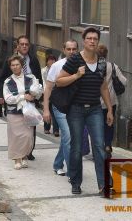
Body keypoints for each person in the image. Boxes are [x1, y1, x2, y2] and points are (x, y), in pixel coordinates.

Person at [56, 27, 114, 196]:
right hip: (76, 110)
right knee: (76, 147)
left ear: (98, 41)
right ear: (84, 40)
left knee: (99, 146)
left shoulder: (102, 62)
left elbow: (103, 87)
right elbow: (59, 81)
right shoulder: (75, 59)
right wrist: (76, 76)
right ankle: (75, 181)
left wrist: (109, 109)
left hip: (95, 109)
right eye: (89, 38)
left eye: (95, 38)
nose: (92, 41)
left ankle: (104, 185)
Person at [0, 35, 43, 161]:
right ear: (17, 45)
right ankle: (18, 154)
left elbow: (38, 78)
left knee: (30, 126)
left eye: (26, 44)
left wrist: (39, 96)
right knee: (16, 130)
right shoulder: (10, 61)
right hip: (15, 97)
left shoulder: (33, 60)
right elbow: (1, 79)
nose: (24, 46)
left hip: (31, 98)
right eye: (21, 44)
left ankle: (28, 151)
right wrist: (0, 96)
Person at [43, 40, 78, 177]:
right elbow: (48, 88)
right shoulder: (57, 66)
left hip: (76, 107)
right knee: (68, 137)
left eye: (74, 49)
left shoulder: (82, 65)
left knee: (67, 138)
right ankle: (73, 172)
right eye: (68, 49)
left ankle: (58, 164)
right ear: (64, 50)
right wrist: (46, 109)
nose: (71, 51)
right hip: (60, 106)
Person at [3, 55, 43, 170]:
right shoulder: (8, 81)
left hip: (29, 111)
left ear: (22, 65)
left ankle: (25, 156)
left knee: (28, 136)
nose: (15, 67)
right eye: (13, 65)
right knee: (15, 136)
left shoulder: (31, 78)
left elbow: (39, 91)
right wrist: (22, 97)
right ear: (10, 67)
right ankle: (17, 158)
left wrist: (35, 94)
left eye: (17, 65)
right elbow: (8, 98)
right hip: (14, 112)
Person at [97, 44, 127, 158]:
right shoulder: (112, 66)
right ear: (106, 54)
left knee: (97, 125)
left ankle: (99, 147)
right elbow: (124, 81)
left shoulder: (93, 66)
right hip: (111, 101)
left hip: (96, 101)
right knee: (109, 124)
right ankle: (108, 145)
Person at [41, 54, 59, 136]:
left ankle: (56, 130)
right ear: (46, 61)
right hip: (46, 93)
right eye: (50, 60)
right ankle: (46, 128)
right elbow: (43, 82)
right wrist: (45, 91)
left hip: (56, 93)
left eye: (53, 60)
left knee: (55, 112)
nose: (51, 62)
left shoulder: (57, 69)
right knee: (47, 110)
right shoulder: (43, 70)